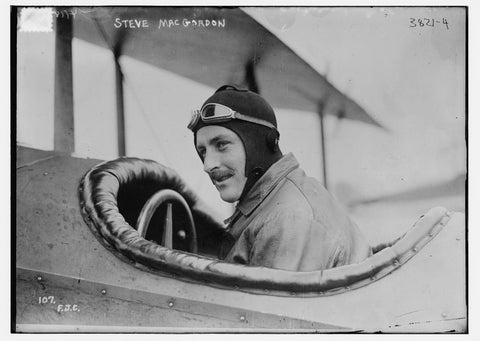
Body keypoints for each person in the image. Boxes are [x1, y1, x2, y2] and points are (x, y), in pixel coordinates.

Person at [188, 85, 372, 271]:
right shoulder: (275, 199)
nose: (208, 165)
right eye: (202, 151)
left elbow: (273, 300)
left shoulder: (286, 217)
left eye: (221, 145)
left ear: (258, 144)